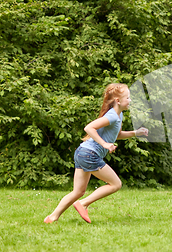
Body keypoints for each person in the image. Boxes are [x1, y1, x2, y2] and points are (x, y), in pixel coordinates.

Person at [44, 83, 148, 224]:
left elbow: (115, 135)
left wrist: (136, 133)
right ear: (118, 101)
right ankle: (84, 203)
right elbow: (89, 128)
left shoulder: (119, 115)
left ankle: (52, 217)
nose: (130, 100)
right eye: (128, 98)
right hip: (89, 154)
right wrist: (104, 144)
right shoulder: (112, 116)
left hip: (82, 152)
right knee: (115, 184)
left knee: (78, 191)